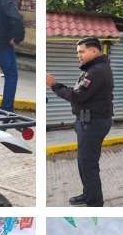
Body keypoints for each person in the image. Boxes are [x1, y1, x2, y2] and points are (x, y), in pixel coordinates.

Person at [46, 37, 114, 207]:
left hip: (93, 124)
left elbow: (77, 96)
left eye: (81, 52)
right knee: (84, 162)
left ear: (94, 51)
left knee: (88, 163)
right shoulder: (94, 68)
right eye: (77, 52)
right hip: (88, 122)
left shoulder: (96, 71)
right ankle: (88, 194)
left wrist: (54, 85)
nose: (79, 56)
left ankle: (95, 202)